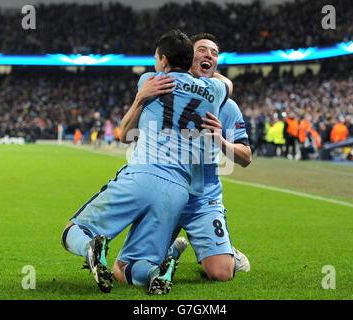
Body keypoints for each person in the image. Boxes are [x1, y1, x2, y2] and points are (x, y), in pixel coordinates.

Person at [60, 29, 230, 295]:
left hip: (142, 174)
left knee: (73, 230)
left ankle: (89, 247)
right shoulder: (215, 90)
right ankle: (156, 272)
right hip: (178, 191)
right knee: (133, 265)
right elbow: (226, 84)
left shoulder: (150, 81)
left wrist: (145, 93)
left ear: (163, 59)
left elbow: (126, 134)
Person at [114, 33, 251, 284]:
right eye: (202, 50)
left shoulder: (227, 106)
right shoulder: (159, 91)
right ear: (188, 56)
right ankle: (171, 251)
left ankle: (225, 250)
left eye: (214, 52)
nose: (209, 55)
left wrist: (222, 141)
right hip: (164, 189)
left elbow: (246, 157)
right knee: (123, 272)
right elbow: (124, 134)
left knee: (221, 273)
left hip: (204, 196)